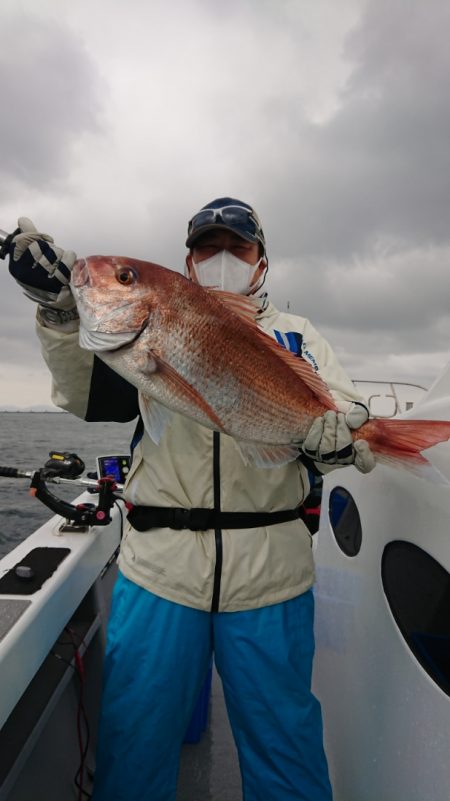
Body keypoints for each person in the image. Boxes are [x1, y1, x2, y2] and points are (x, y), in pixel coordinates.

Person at [6, 198, 375, 801]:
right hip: (160, 573)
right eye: (208, 248)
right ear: (187, 261)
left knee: (285, 743)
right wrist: (59, 311)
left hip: (271, 574)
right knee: (136, 735)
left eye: (238, 247)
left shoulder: (300, 336)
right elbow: (87, 395)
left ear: (262, 261)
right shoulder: (144, 331)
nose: (222, 259)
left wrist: (342, 440)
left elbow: (339, 418)